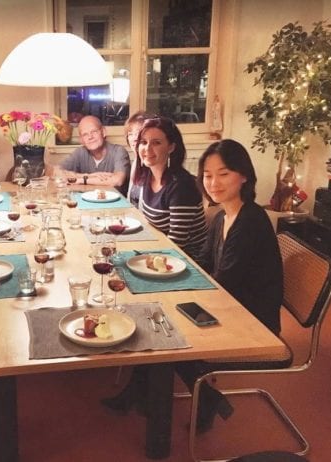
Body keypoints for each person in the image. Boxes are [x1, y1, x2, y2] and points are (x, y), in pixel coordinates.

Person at [102, 139, 284, 435]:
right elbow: (201, 260)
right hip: (230, 300)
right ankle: (146, 393)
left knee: (163, 328)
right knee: (155, 316)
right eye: (208, 175)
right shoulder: (225, 215)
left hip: (251, 316)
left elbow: (225, 282)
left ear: (244, 175)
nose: (213, 182)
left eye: (223, 174)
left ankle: (171, 399)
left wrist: (176, 290)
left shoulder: (251, 221)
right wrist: (165, 272)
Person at [128, 116, 207, 260]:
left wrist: (141, 258)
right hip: (161, 251)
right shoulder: (147, 175)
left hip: (187, 261)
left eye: (156, 143)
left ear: (171, 147)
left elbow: (177, 242)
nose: (147, 149)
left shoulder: (182, 185)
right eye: (143, 142)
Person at [54, 115, 131, 196]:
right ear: (81, 140)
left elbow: (118, 180)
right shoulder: (80, 152)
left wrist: (82, 180)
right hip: (87, 202)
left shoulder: (119, 151)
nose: (90, 137)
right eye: (85, 134)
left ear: (103, 132)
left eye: (94, 131)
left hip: (118, 205)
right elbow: (56, 173)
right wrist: (87, 176)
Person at [123, 110, 155, 200]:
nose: (134, 139)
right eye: (130, 134)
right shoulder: (136, 162)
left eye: (138, 133)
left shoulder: (152, 164)